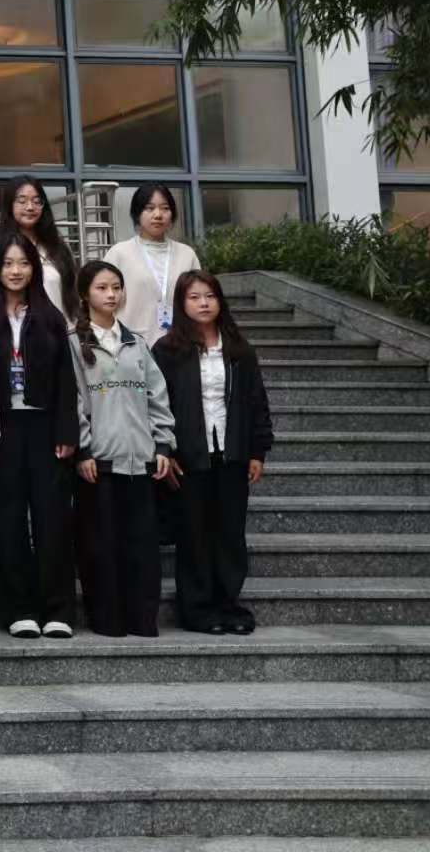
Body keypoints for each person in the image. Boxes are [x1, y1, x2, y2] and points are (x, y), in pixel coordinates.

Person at [0, 232, 80, 639]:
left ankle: (57, 609)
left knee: (53, 520)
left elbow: (66, 379)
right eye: (7, 263)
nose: (15, 271)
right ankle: (18, 609)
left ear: (34, 268)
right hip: (1, 429)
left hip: (45, 428)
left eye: (23, 263)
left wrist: (67, 429)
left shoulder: (50, 317)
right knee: (7, 521)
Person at [153, 270, 273, 636]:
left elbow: (256, 401)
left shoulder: (239, 350)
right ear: (181, 304)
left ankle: (228, 604)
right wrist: (165, 449)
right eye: (194, 297)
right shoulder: (167, 350)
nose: (203, 303)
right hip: (189, 456)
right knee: (194, 533)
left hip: (232, 454)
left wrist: (258, 450)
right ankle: (197, 609)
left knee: (230, 532)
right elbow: (157, 404)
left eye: (210, 296)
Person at [71, 260, 177, 639]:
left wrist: (162, 443)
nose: (111, 294)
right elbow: (74, 401)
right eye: (102, 288)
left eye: (116, 287)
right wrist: (83, 450)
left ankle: (142, 619)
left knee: (142, 547)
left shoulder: (137, 344)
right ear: (85, 294)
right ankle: (107, 619)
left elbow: (156, 396)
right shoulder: (74, 345)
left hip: (141, 462)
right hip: (99, 464)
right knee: (101, 546)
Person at [105, 183, 202, 337]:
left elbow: (199, 299)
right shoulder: (119, 253)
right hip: (133, 343)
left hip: (180, 343)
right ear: (137, 213)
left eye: (165, 208)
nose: (158, 215)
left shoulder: (187, 254)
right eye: (149, 208)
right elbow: (103, 303)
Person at [0, 175, 78, 320]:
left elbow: (71, 293)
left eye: (36, 201)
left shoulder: (58, 247)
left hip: (61, 328)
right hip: (16, 329)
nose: (30, 207)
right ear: (9, 205)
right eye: (22, 201)